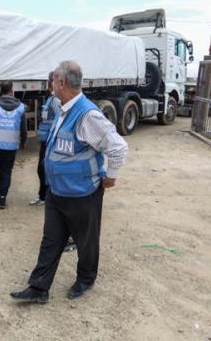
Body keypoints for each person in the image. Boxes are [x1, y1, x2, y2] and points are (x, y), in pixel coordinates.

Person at [11, 60, 128, 303]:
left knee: (86, 242)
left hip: (83, 194)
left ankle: (86, 279)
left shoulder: (88, 115)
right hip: (57, 192)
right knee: (50, 241)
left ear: (61, 82)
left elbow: (118, 146)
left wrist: (111, 177)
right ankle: (38, 289)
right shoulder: (61, 107)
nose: (51, 84)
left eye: (53, 80)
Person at [0, 81, 27, 209]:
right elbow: (23, 129)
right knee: (7, 170)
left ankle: (1, 191)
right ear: (12, 91)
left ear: (0, 90)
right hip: (11, 147)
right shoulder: (21, 107)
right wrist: (23, 142)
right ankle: (2, 196)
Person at [30, 71, 60, 207]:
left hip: (50, 141)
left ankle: (46, 197)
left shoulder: (56, 100)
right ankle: (43, 196)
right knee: (42, 169)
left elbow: (59, 121)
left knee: (43, 169)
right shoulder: (51, 99)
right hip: (46, 140)